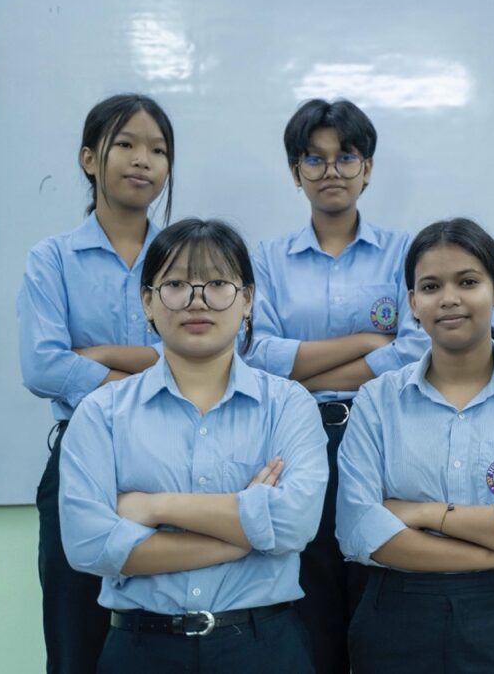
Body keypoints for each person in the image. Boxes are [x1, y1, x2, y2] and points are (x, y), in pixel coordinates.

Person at [59, 218, 328, 673]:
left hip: (262, 647)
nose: (197, 300)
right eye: (176, 285)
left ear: (247, 299)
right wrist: (244, 536)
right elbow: (90, 544)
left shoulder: (288, 404)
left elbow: (294, 524)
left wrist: (155, 506)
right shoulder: (102, 412)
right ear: (147, 301)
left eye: (218, 284)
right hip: (140, 650)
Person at [336, 218, 494, 672]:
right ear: (413, 302)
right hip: (397, 615)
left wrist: (424, 513)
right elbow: (358, 531)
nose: (449, 298)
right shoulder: (377, 400)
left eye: (467, 282)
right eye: (431, 287)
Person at [244, 98, 428, 673]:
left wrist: (306, 368)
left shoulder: (404, 252)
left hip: (384, 432)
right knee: (313, 584)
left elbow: (415, 351)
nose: (331, 171)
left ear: (367, 168)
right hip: (296, 437)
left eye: (346, 157)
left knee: (379, 578)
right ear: (294, 171)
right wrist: (368, 341)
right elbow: (259, 356)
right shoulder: (267, 259)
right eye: (314, 158)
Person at [17, 93, 175, 674]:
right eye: (125, 144)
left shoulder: (185, 257)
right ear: (89, 158)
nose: (143, 160)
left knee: (169, 632)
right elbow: (43, 367)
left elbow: (212, 356)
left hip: (175, 455)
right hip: (82, 452)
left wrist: (98, 356)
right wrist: (153, 369)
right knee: (74, 638)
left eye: (158, 150)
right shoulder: (52, 259)